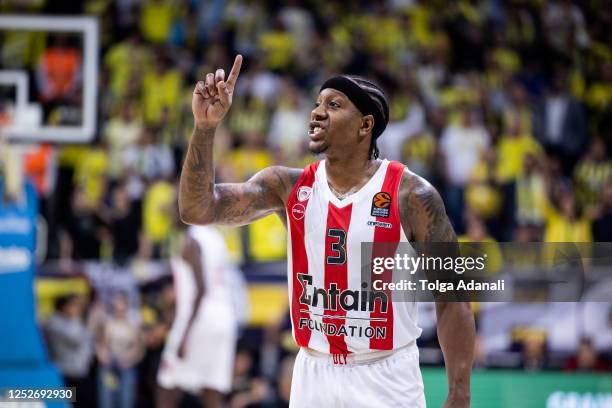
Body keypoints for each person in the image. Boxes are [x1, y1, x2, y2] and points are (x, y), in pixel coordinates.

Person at [179, 55, 475, 407]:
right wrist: (205, 127)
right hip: (313, 373)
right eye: (317, 103)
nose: (316, 112)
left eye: (333, 105)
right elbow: (198, 209)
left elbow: (453, 298)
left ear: (365, 125)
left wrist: (459, 392)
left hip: (386, 373)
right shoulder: (286, 186)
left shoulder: (411, 195)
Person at [156, 223, 238, 408]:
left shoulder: (191, 240)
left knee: (167, 386)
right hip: (224, 315)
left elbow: (201, 289)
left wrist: (184, 335)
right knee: (211, 392)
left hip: (199, 318)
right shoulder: (216, 236)